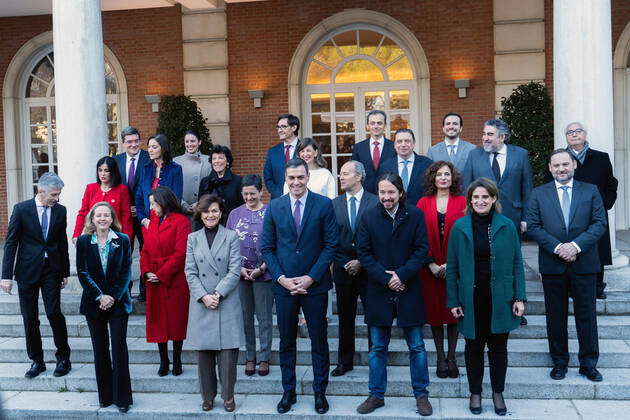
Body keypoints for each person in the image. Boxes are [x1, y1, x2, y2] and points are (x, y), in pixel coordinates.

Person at [261, 158, 337, 415]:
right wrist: (281, 278)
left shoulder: (324, 205)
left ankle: (320, 392)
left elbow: (330, 246)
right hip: (284, 286)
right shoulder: (274, 207)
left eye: (300, 177)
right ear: (286, 179)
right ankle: (288, 391)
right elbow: (267, 248)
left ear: (308, 178)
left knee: (319, 341)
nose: (296, 182)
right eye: (291, 178)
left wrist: (311, 277)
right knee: (286, 342)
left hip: (314, 285)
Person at [446, 178, 526, 416]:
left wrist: (519, 297)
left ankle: (498, 392)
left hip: (500, 297)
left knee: (499, 348)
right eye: (476, 197)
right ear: (470, 200)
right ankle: (475, 392)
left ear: (493, 199)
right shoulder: (460, 227)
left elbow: (517, 263)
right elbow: (452, 267)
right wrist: (453, 301)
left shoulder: (507, 225)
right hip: (471, 298)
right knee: (473, 347)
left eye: (485, 197)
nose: (480, 201)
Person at [355, 173, 433, 417]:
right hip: (379, 290)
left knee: (417, 347)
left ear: (400, 192)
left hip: (409, 288)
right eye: (382, 193)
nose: (386, 197)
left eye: (391, 192)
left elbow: (422, 250)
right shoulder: (368, 216)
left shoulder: (415, 215)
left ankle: (421, 395)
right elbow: (364, 253)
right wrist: (387, 278)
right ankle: (376, 395)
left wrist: (401, 275)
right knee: (378, 347)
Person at [526, 149, 606, 383]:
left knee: (587, 316)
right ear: (550, 169)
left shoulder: (590, 191)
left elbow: (599, 223)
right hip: (553, 264)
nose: (561, 169)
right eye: (556, 166)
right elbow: (533, 225)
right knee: (555, 316)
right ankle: (559, 362)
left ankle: (588, 364)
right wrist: (559, 247)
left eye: (565, 164)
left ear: (574, 165)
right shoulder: (538, 194)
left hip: (584, 263)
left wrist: (575, 246)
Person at [1, 172, 71, 379]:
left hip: (52, 270)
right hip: (27, 271)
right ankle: (37, 361)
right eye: (54, 195)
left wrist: (65, 271)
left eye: (58, 195)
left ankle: (63, 358)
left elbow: (62, 242)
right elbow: (11, 242)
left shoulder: (60, 211)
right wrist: (6, 276)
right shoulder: (21, 209)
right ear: (41, 192)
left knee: (53, 313)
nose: (57, 199)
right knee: (29, 318)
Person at [463, 119, 532, 326]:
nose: (485, 138)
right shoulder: (474, 155)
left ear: (502, 137)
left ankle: (515, 305)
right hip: (481, 220)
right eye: (484, 134)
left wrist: (526, 217)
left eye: (490, 134)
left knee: (510, 264)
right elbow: (467, 187)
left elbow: (527, 187)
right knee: (485, 264)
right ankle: (487, 307)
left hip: (512, 218)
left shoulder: (520, 154)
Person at [543, 122, 618, 299]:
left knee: (596, 249)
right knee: (570, 247)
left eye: (578, 131)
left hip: (594, 214)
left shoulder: (601, 158)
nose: (574, 134)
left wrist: (604, 204)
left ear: (585, 134)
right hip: (567, 212)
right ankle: (569, 287)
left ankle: (597, 286)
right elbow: (547, 184)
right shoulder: (559, 158)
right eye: (570, 132)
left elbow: (611, 184)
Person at [185, 194, 243, 412]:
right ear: (200, 213)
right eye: (207, 211)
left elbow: (234, 270)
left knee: (228, 353)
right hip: (201, 302)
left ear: (221, 213)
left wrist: (217, 293)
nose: (211, 215)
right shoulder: (193, 238)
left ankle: (228, 396)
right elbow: (190, 271)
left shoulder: (231, 236)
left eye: (215, 211)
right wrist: (204, 296)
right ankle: (207, 396)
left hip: (225, 300)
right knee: (204, 354)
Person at [75, 202, 133, 413]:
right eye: (98, 215)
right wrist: (100, 296)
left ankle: (123, 399)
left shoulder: (123, 240)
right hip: (93, 303)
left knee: (119, 350)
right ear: (92, 218)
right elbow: (82, 273)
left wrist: (112, 296)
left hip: (118, 304)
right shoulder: (82, 241)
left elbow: (126, 271)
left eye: (106, 215)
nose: (102, 219)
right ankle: (106, 397)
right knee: (100, 350)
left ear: (112, 218)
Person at [417, 160, 466, 379]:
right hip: (429, 269)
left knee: (453, 311)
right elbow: (417, 237)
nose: (443, 178)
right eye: (438, 174)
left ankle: (452, 357)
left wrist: (450, 265)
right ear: (432, 178)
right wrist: (431, 264)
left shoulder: (463, 202)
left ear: (453, 177)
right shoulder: (423, 203)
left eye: (447, 174)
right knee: (435, 313)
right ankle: (439, 358)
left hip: (455, 268)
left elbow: (467, 237)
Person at [330, 160, 378, 377]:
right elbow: (330, 239)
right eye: (340, 174)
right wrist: (343, 262)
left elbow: (380, 239)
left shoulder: (375, 202)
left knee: (373, 317)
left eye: (345, 173)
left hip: (369, 270)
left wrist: (361, 261)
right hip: (343, 270)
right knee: (345, 319)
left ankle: (375, 360)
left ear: (359, 176)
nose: (341, 177)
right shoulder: (334, 204)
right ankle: (344, 361)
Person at [139, 186, 191, 377]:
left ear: (164, 201)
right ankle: (163, 360)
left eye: (154, 204)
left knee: (176, 321)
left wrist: (161, 274)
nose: (151, 208)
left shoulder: (181, 222)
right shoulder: (153, 221)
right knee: (158, 321)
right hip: (153, 279)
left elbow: (181, 254)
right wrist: (146, 273)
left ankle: (177, 359)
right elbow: (144, 250)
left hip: (174, 279)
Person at [226, 175, 273, 377]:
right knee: (245, 318)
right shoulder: (234, 214)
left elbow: (276, 243)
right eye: (245, 194)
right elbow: (228, 244)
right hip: (241, 274)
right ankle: (250, 356)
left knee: (264, 317)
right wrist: (239, 269)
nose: (248, 197)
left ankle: (264, 357)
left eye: (252, 193)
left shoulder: (270, 212)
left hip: (265, 273)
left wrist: (262, 268)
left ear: (261, 192)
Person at [114, 126, 150, 300]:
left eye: (136, 141)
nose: (133, 144)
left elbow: (151, 186)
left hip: (144, 215)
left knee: (146, 253)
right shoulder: (116, 161)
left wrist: (140, 207)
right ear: (123, 144)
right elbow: (113, 188)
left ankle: (145, 291)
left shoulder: (149, 158)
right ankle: (125, 291)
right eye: (129, 142)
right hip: (122, 217)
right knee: (123, 255)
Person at [73, 156, 134, 244]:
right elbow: (83, 213)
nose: (102, 174)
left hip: (115, 237)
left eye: (106, 171)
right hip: (93, 236)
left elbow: (126, 217)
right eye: (100, 170)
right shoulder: (91, 188)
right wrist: (76, 235)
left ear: (113, 172)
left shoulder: (122, 190)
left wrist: (127, 239)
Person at [135, 134, 183, 230]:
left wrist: (166, 221)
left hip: (168, 223)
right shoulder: (145, 169)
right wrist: (143, 219)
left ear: (163, 148)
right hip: (148, 223)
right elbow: (139, 197)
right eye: (149, 147)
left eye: (154, 147)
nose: (150, 150)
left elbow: (176, 198)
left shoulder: (175, 169)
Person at [378, 128, 433, 206]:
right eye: (399, 141)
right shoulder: (385, 166)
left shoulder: (427, 164)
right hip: (393, 212)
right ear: (394, 145)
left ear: (413, 143)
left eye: (407, 141)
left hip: (420, 211)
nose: (403, 145)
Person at [351, 110, 396, 194]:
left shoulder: (394, 147)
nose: (376, 126)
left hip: (388, 193)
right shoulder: (358, 148)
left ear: (385, 125)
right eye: (372, 123)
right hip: (365, 194)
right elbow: (354, 172)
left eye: (379, 123)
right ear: (367, 126)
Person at [198, 145, 244, 220]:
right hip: (210, 225)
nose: (217, 161)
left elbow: (242, 208)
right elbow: (200, 209)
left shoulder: (238, 181)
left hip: (231, 225)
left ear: (227, 161)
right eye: (214, 158)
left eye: (220, 158)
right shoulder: (205, 182)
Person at [173, 130, 212, 215]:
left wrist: (200, 203)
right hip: (181, 212)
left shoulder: (209, 161)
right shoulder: (175, 161)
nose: (189, 144)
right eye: (187, 141)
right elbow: (172, 188)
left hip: (205, 212)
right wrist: (183, 205)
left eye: (193, 141)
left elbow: (212, 187)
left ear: (199, 142)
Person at [264, 114, 300, 199]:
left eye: (283, 127)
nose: (279, 130)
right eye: (278, 127)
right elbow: (268, 177)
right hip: (278, 200)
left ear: (294, 128)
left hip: (301, 198)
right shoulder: (272, 152)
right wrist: (280, 195)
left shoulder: (304, 149)